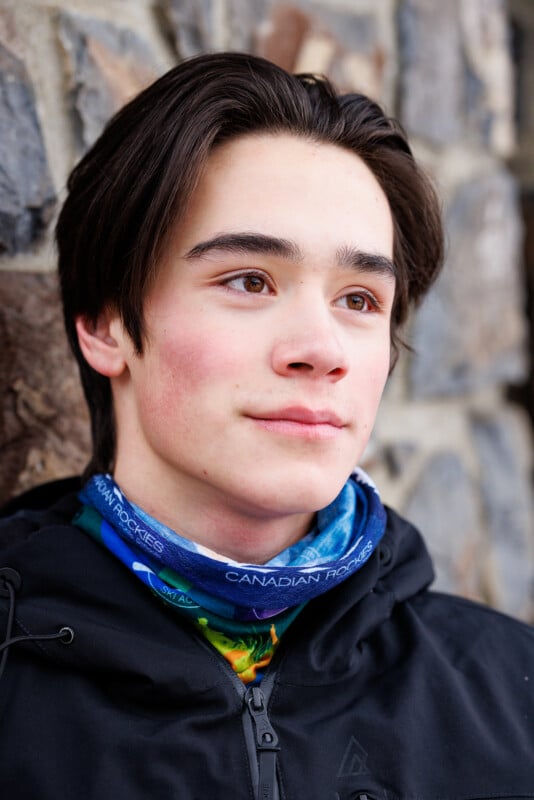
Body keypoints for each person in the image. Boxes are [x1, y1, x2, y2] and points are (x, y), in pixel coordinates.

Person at [0, 52, 532, 800]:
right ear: (106, 324)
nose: (321, 351)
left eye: (359, 300)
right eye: (249, 281)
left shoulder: (514, 695)